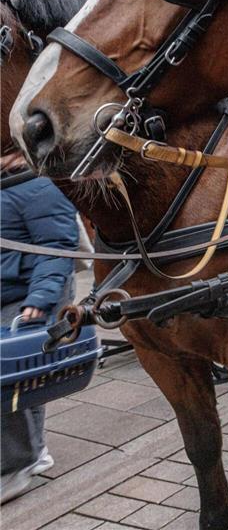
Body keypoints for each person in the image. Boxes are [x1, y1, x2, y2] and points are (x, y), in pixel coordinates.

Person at [0, 150, 78, 504]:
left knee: (9, 380)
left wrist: (40, 298)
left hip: (27, 297)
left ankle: (15, 467)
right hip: (11, 291)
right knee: (24, 381)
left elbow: (57, 245)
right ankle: (36, 450)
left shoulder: (38, 186)